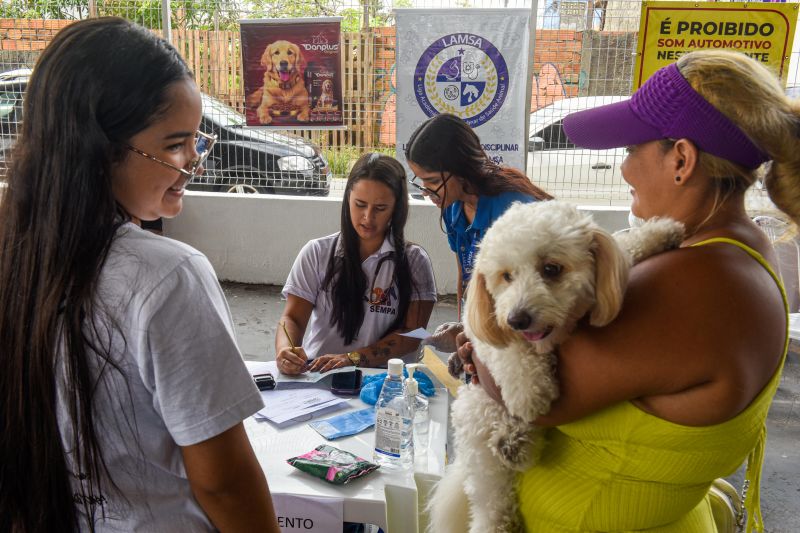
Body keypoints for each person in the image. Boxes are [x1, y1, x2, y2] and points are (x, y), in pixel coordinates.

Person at [459, 50, 797, 531]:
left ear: (681, 159)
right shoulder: (739, 250)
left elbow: (530, 402)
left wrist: (477, 343)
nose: (624, 169)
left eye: (631, 149)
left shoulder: (690, 284)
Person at [0, 18, 279, 532]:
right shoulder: (167, 276)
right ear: (100, 151)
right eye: (174, 145)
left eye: (196, 140)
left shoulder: (15, 256)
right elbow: (223, 482)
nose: (194, 161)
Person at [276, 152, 437, 375]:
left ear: (396, 208)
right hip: (319, 376)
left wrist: (352, 359)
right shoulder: (317, 252)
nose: (368, 217)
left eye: (380, 208)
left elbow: (414, 334)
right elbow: (292, 318)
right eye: (360, 204)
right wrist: (285, 350)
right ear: (347, 199)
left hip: (385, 381)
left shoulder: (414, 261)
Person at [404, 113, 552, 318]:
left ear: (462, 169)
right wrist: (463, 324)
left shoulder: (515, 212)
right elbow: (465, 277)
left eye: (434, 181)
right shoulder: (452, 208)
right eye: (421, 181)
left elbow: (533, 292)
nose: (426, 191)